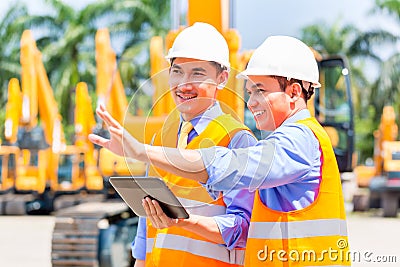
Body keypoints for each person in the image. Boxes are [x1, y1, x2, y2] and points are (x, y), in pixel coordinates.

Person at [90, 35, 351, 266]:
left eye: (260, 91)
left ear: (295, 92)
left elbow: (231, 169)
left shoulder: (298, 140)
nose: (251, 103)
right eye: (249, 92)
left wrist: (141, 151)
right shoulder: (165, 136)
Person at [125, 22, 256, 267]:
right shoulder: (160, 139)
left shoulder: (237, 140)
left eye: (197, 73)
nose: (183, 84)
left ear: (222, 78)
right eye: (177, 71)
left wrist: (185, 221)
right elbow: (145, 229)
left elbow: (244, 228)